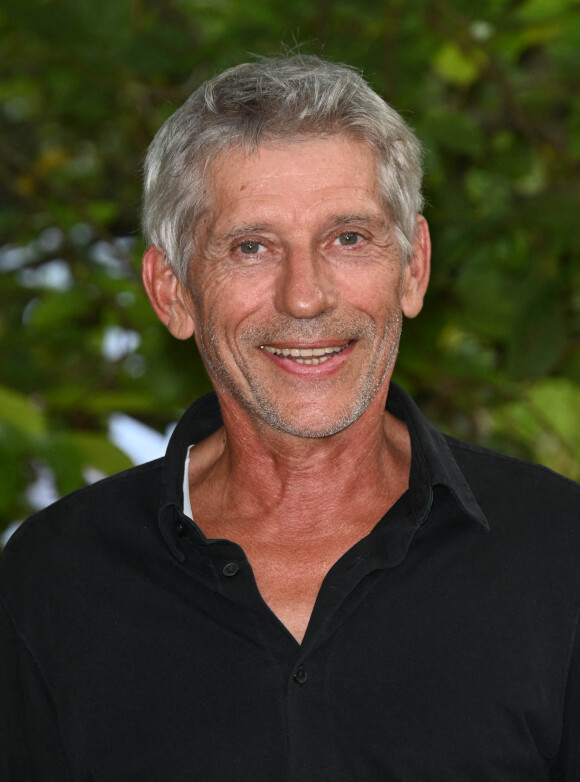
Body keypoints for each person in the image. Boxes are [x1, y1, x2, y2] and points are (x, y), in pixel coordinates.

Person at [1, 55, 579, 781]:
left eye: (349, 239)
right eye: (251, 247)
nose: (304, 297)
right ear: (172, 292)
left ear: (414, 268)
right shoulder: (53, 580)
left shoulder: (561, 555)